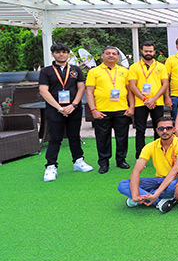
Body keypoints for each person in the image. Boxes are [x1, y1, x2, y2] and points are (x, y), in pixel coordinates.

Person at [38, 42, 91, 182]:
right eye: (58, 52)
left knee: (74, 136)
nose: (61, 54)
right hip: (55, 109)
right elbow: (43, 91)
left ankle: (78, 161)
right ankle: (51, 166)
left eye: (64, 52)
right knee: (55, 138)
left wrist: (73, 105)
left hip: (74, 108)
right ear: (53, 54)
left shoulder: (75, 70)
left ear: (68, 54)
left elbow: (81, 88)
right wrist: (60, 108)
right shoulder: (46, 71)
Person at [117, 116, 178, 213]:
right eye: (161, 128)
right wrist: (134, 195)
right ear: (157, 130)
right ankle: (158, 201)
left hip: (176, 180)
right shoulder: (150, 146)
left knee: (173, 186)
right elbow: (136, 171)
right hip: (158, 180)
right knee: (123, 184)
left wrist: (156, 193)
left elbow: (175, 170)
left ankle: (148, 198)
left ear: (174, 129)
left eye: (168, 128)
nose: (165, 131)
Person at [86, 46, 134, 174]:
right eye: (108, 53)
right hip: (101, 110)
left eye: (114, 54)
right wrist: (93, 110)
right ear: (102, 56)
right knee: (102, 138)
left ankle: (121, 160)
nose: (111, 55)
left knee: (122, 137)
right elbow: (89, 92)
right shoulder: (94, 71)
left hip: (122, 110)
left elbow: (130, 91)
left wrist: (131, 107)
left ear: (118, 57)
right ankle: (103, 163)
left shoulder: (124, 71)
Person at [128, 41, 169, 159]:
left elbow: (165, 84)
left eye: (150, 51)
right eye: (146, 51)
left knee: (159, 129)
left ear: (154, 52)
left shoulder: (161, 67)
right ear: (142, 51)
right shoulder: (134, 67)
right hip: (140, 103)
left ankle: (158, 154)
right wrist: (145, 99)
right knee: (140, 130)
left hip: (157, 102)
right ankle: (140, 156)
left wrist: (154, 99)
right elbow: (132, 85)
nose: (148, 53)